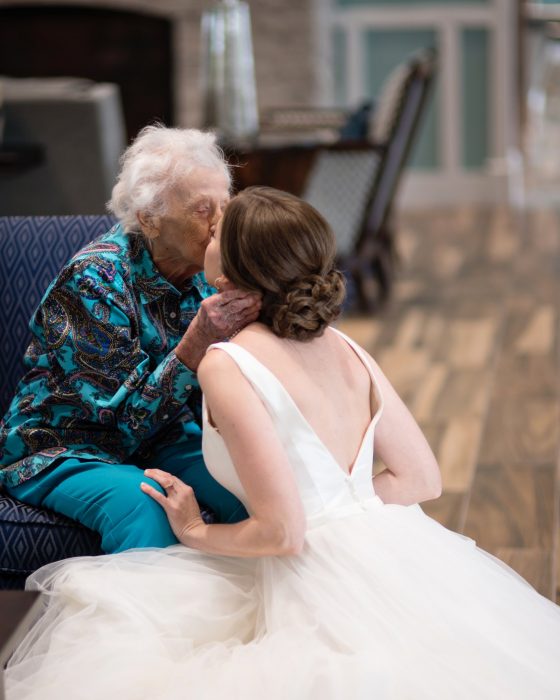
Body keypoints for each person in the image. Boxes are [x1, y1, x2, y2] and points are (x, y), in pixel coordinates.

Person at [6, 188, 560, 699]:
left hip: (311, 575)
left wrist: (196, 531)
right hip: (401, 550)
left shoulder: (226, 363)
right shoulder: (345, 346)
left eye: (220, 231)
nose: (208, 235)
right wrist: (346, 514)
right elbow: (422, 478)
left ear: (233, 268)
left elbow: (284, 532)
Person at [0, 125, 260, 553]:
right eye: (201, 209)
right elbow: (122, 428)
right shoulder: (94, 281)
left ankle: (256, 619)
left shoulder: (211, 274)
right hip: (67, 446)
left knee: (253, 490)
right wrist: (196, 343)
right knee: (146, 507)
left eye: (224, 206)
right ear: (149, 219)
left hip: (166, 438)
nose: (219, 225)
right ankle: (148, 622)